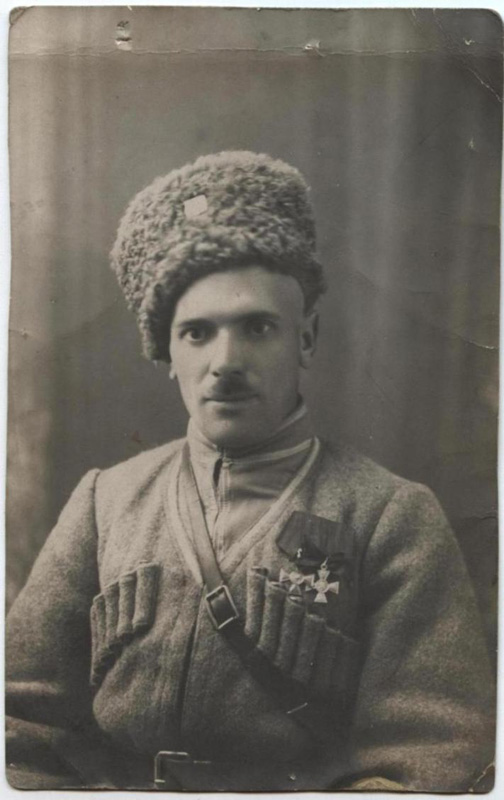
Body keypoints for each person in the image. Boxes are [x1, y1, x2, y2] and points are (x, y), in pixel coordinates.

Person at [6, 151, 494, 792]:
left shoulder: (391, 516)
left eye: (258, 328)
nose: (226, 362)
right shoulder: (107, 501)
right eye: (197, 333)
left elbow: (426, 759)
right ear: (166, 353)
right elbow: (19, 725)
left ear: (306, 338)